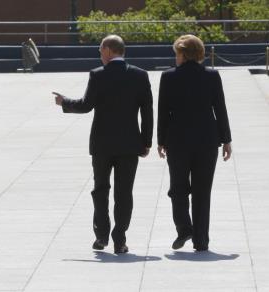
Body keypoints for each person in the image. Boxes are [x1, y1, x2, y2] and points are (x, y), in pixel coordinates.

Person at [53, 35, 153, 254]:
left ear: (108, 50)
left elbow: (86, 105)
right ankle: (120, 239)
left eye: (100, 50)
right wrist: (146, 142)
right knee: (124, 193)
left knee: (100, 190)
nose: (99, 55)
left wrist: (64, 102)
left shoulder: (98, 75)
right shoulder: (140, 75)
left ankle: (101, 237)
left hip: (102, 145)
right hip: (129, 145)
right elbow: (147, 111)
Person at [157, 34, 232, 252]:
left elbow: (163, 112)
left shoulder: (168, 77)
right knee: (202, 191)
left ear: (182, 54)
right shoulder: (212, 75)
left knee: (178, 189)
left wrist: (161, 140)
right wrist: (226, 139)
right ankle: (201, 240)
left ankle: (184, 228)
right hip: (207, 141)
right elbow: (220, 109)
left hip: (177, 141)